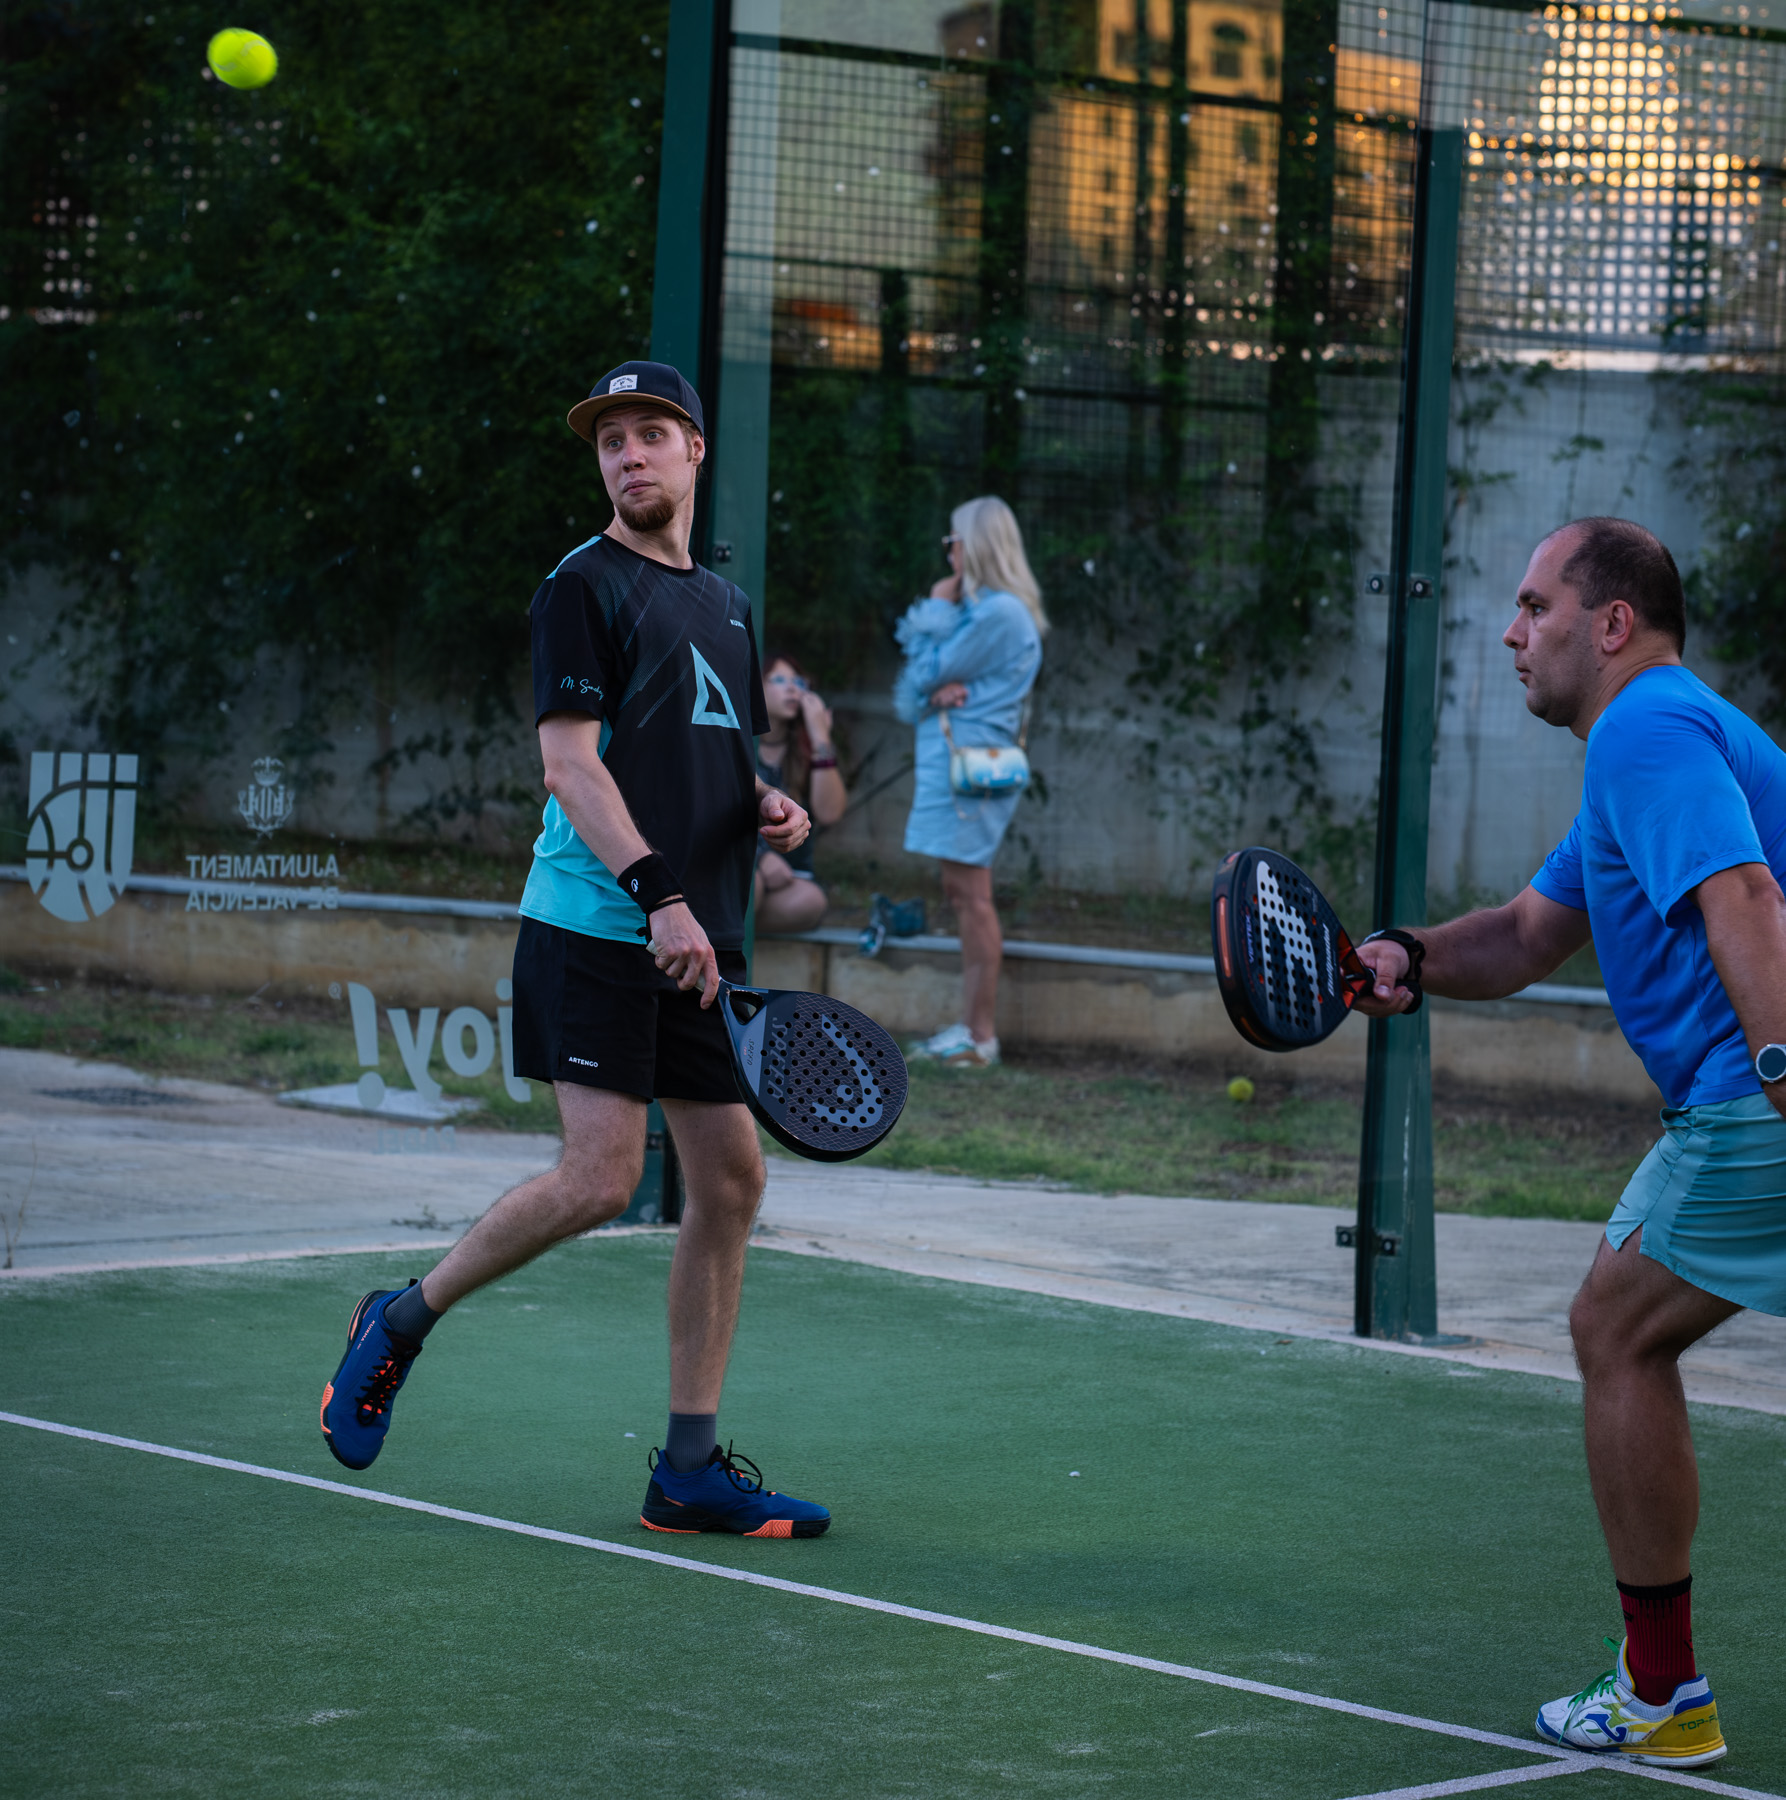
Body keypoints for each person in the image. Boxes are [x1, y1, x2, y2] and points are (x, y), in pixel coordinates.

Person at [319, 360, 832, 1539]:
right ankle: (397, 1321)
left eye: (652, 434)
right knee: (601, 1177)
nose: (630, 455)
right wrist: (657, 894)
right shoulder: (580, 585)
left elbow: (703, 741)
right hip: (600, 923)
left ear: (696, 451)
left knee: (732, 1180)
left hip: (695, 937)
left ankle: (688, 1471)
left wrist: (760, 802)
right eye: (612, 442)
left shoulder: (727, 606)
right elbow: (571, 766)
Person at [1355, 517, 1786, 1770]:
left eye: (1535, 606)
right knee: (1618, 1325)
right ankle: (1665, 1695)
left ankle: (1663, 1698)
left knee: (1613, 1326)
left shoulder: (1648, 725)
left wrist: (1777, 1071)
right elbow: (1529, 932)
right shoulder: (1641, 752)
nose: (1509, 631)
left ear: (1610, 625)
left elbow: (1746, 899)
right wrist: (1403, 957)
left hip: (1749, 1096)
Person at [893, 496, 1045, 1069]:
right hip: (958, 766)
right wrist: (929, 690)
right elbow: (914, 695)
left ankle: (979, 1036)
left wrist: (934, 606)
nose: (949, 550)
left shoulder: (996, 613)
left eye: (954, 540)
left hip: (969, 772)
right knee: (962, 895)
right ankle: (973, 1031)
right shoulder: (984, 612)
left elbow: (923, 674)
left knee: (972, 898)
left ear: (974, 545)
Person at [754, 651, 847, 932]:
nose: (793, 688)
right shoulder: (738, 740)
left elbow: (829, 813)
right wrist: (760, 859)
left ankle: (731, 927)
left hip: (791, 879)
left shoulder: (806, 750)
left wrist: (820, 736)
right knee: (750, 884)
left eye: (799, 682)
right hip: (744, 869)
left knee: (811, 901)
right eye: (780, 679)